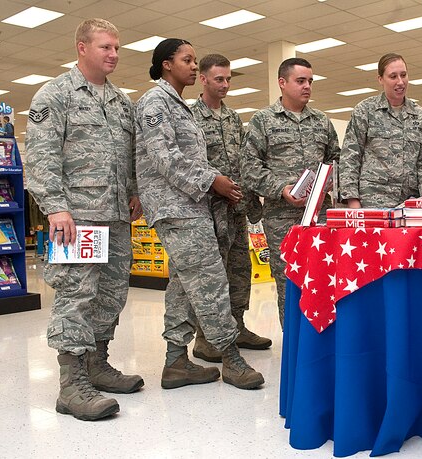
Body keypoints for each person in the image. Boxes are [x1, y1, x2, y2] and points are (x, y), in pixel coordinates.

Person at [25, 18, 144, 421]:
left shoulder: (119, 101)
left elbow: (128, 154)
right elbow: (41, 158)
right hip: (75, 219)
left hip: (114, 216)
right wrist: (56, 207)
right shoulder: (55, 95)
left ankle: (97, 364)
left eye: (116, 48)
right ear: (81, 47)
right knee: (76, 295)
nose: (113, 54)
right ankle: (71, 385)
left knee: (111, 294)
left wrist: (133, 192)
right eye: (105, 47)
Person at [135, 38, 264, 391]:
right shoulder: (155, 102)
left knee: (182, 284)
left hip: (190, 205)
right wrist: (213, 181)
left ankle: (176, 360)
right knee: (210, 281)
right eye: (187, 60)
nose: (194, 66)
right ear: (166, 64)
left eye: (195, 61)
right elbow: (163, 156)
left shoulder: (177, 105)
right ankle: (229, 358)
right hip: (177, 208)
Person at [241, 57, 340, 327]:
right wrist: (280, 188)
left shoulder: (321, 121)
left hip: (319, 213)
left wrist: (330, 178)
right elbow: (249, 168)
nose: (307, 86)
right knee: (289, 279)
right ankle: (294, 345)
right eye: (300, 81)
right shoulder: (263, 121)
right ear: (282, 83)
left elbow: (337, 159)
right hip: (281, 217)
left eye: (310, 81)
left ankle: (322, 340)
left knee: (323, 275)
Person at [190, 53, 271, 361]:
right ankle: (205, 337)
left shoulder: (233, 118)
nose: (224, 85)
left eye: (228, 79)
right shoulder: (191, 117)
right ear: (203, 79)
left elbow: (244, 161)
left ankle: (237, 326)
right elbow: (190, 165)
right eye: (219, 79)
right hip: (208, 210)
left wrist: (250, 201)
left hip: (237, 207)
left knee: (240, 270)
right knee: (212, 275)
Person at [339, 53, 422, 209]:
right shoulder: (365, 111)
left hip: (409, 202)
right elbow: (350, 157)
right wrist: (352, 200)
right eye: (393, 76)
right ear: (381, 79)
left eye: (403, 75)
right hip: (372, 200)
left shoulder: (420, 115)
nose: (400, 82)